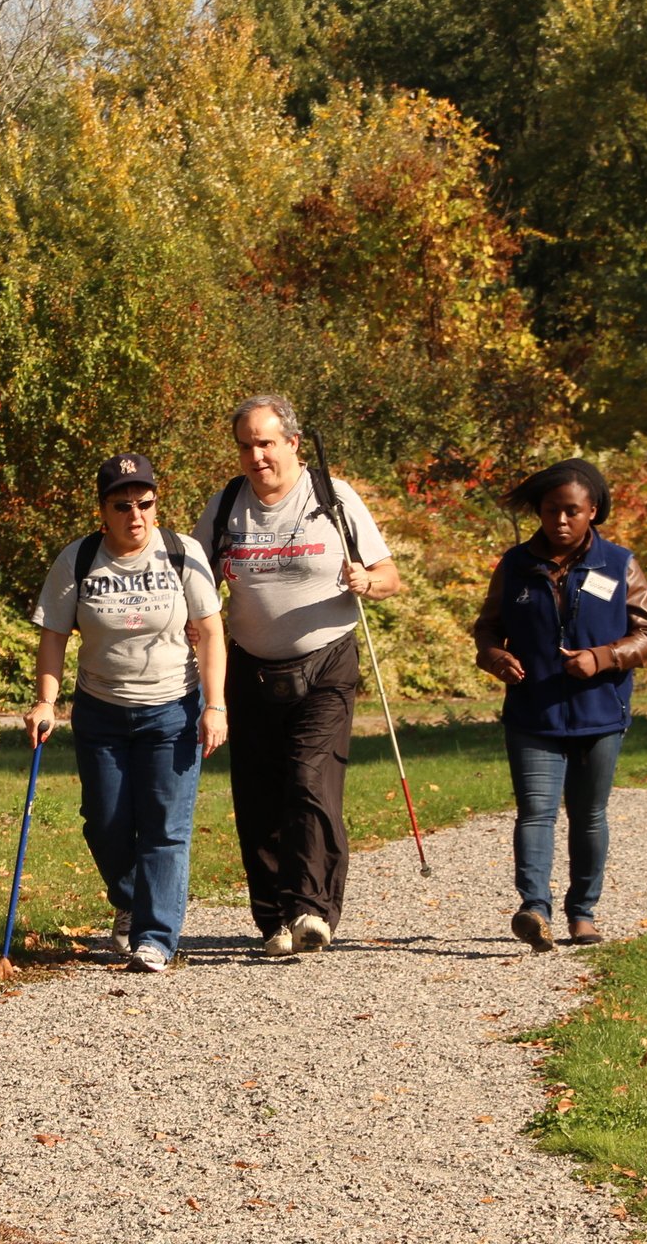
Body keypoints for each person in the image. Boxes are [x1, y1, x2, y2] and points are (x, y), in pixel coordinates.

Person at [191, 395, 400, 957]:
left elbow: (390, 576)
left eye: (265, 442)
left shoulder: (332, 496)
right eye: (246, 444)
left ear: (292, 443)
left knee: (310, 783)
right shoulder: (227, 505)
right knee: (258, 797)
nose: (256, 455)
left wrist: (366, 581)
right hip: (249, 668)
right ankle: (274, 919)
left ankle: (312, 909)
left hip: (327, 663)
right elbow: (197, 581)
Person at [26, 453, 228, 974]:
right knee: (106, 823)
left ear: (156, 506)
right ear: (103, 511)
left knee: (164, 827)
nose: (135, 515)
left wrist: (216, 705)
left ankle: (156, 938)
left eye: (145, 503)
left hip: (173, 709)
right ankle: (132, 897)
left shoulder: (183, 554)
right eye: (122, 505)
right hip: (101, 711)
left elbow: (209, 633)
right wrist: (45, 701)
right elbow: (53, 637)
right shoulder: (79, 559)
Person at [472, 459, 647, 952]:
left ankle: (583, 914)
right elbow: (488, 627)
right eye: (550, 511)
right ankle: (535, 908)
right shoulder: (515, 564)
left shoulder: (619, 564)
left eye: (571, 512)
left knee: (589, 814)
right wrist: (495, 657)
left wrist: (602, 659)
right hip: (533, 712)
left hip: (600, 713)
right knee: (535, 812)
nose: (559, 521)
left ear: (592, 512)